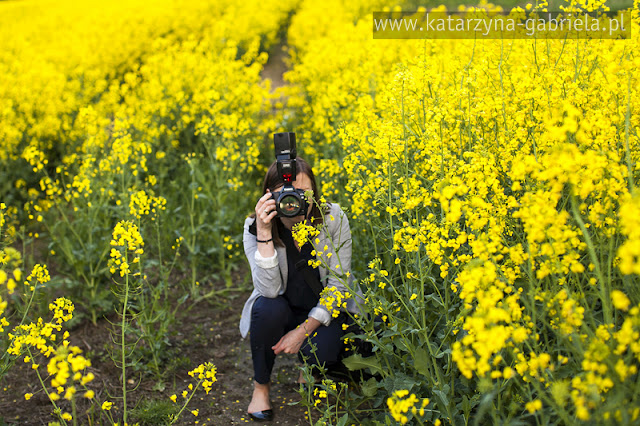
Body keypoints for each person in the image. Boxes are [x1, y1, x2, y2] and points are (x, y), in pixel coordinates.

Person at [239, 158, 359, 421]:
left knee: (323, 352)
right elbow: (268, 290)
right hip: (281, 308)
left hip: (325, 312)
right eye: (286, 195)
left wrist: (301, 333)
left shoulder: (333, 217)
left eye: (303, 193)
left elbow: (339, 285)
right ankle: (261, 388)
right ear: (269, 196)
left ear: (315, 193)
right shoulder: (254, 228)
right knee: (265, 308)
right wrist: (264, 230)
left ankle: (310, 367)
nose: (294, 202)